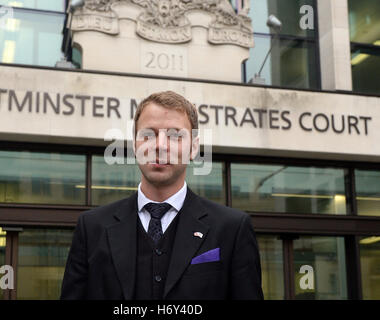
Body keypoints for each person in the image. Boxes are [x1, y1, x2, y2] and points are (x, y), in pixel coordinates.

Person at [60, 90, 264, 300]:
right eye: (148, 134)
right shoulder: (92, 227)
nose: (160, 145)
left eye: (175, 135)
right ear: (134, 145)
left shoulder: (232, 228)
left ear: (193, 147)